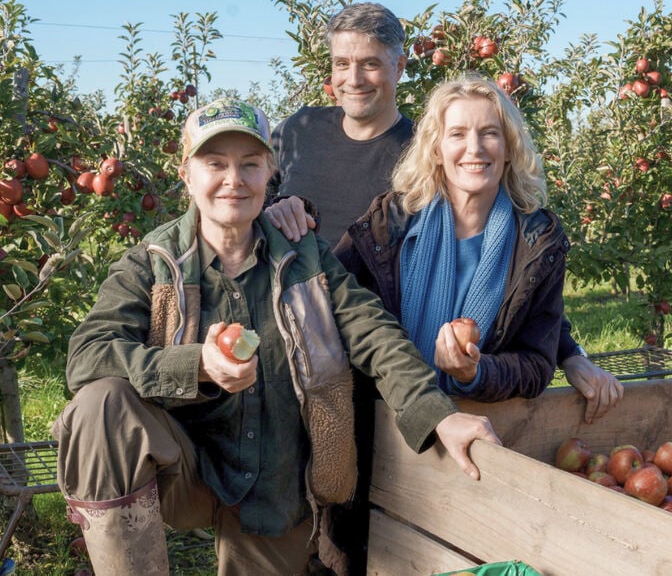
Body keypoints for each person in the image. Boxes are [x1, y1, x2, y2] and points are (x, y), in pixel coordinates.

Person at [52, 98, 499, 576]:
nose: (233, 179)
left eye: (249, 164)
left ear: (270, 171)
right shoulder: (153, 264)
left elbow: (374, 334)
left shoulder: (305, 258)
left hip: (274, 483)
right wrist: (197, 365)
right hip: (179, 468)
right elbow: (86, 357)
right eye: (214, 164)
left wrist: (437, 415)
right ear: (187, 174)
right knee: (101, 403)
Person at [268, 2, 622, 419]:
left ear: (398, 67)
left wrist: (569, 353)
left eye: (369, 64)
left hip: (381, 385)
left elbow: (522, 290)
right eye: (341, 63)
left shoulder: (424, 163)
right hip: (300, 351)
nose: (353, 79)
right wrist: (273, 208)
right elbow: (251, 202)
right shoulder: (298, 131)